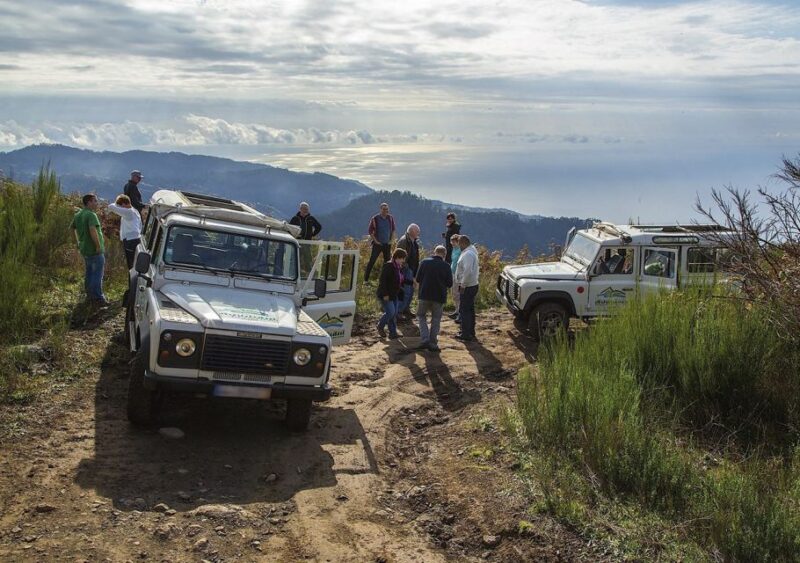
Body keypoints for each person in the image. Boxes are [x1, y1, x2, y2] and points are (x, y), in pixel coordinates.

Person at [69, 194, 107, 306]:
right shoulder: (91, 215)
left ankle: (89, 295)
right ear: (89, 202)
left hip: (84, 249)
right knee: (97, 274)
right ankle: (98, 298)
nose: (97, 203)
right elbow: (92, 230)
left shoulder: (78, 214)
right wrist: (98, 245)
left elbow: (71, 228)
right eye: (95, 201)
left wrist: (76, 243)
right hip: (94, 250)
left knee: (89, 272)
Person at [415, 245, 453, 352]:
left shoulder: (424, 262)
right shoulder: (446, 266)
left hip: (424, 295)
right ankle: (432, 343)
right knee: (436, 319)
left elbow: (417, 279)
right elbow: (450, 284)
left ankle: (424, 339)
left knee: (421, 316)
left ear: (434, 252)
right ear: (444, 255)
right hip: (439, 297)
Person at [376, 248, 407, 339]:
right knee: (390, 312)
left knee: (394, 314)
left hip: (394, 294)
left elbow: (400, 280)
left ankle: (393, 333)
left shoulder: (398, 267)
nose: (403, 260)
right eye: (402, 258)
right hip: (386, 294)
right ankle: (380, 326)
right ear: (397, 257)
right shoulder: (389, 266)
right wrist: (385, 294)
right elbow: (383, 281)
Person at [454, 235, 479, 342]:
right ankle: (470, 331)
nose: (459, 246)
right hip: (471, 285)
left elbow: (468, 270)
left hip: (467, 286)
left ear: (463, 243)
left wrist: (463, 285)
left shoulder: (468, 254)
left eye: (459, 244)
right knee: (469, 309)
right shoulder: (471, 251)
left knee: (464, 310)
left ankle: (465, 333)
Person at [108, 194, 143, 270]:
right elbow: (140, 226)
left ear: (123, 204)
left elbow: (110, 206)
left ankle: (132, 280)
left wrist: (117, 205)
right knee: (134, 263)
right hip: (135, 238)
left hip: (130, 240)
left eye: (121, 206)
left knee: (131, 265)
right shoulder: (135, 211)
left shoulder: (128, 212)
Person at [364, 202, 396, 282]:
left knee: (387, 264)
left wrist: (391, 241)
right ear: (380, 209)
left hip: (387, 244)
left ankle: (385, 280)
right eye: (384, 209)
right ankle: (365, 280)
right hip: (378, 244)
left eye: (387, 209)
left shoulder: (390, 218)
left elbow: (393, 230)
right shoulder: (375, 218)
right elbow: (370, 231)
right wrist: (376, 241)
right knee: (372, 261)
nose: (386, 211)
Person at [395, 223, 421, 317]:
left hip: (413, 270)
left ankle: (406, 309)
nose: (419, 233)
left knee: (411, 291)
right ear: (412, 231)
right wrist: (407, 269)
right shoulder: (404, 241)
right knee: (405, 291)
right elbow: (399, 257)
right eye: (417, 231)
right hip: (406, 270)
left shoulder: (413, 242)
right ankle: (398, 312)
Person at [290, 202, 322, 274]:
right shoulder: (295, 218)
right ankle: (293, 272)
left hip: (307, 242)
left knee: (308, 259)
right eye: (304, 209)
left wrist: (312, 234)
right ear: (300, 209)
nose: (305, 210)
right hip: (296, 242)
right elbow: (290, 228)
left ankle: (309, 274)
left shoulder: (311, 218)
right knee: (295, 258)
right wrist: (293, 236)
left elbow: (319, 227)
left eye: (307, 209)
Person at [448, 234, 462, 321]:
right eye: (451, 241)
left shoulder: (461, 250)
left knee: (457, 293)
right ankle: (456, 310)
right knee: (454, 293)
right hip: (453, 272)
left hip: (458, 274)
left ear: (458, 242)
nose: (452, 243)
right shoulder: (454, 249)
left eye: (454, 242)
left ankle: (459, 311)